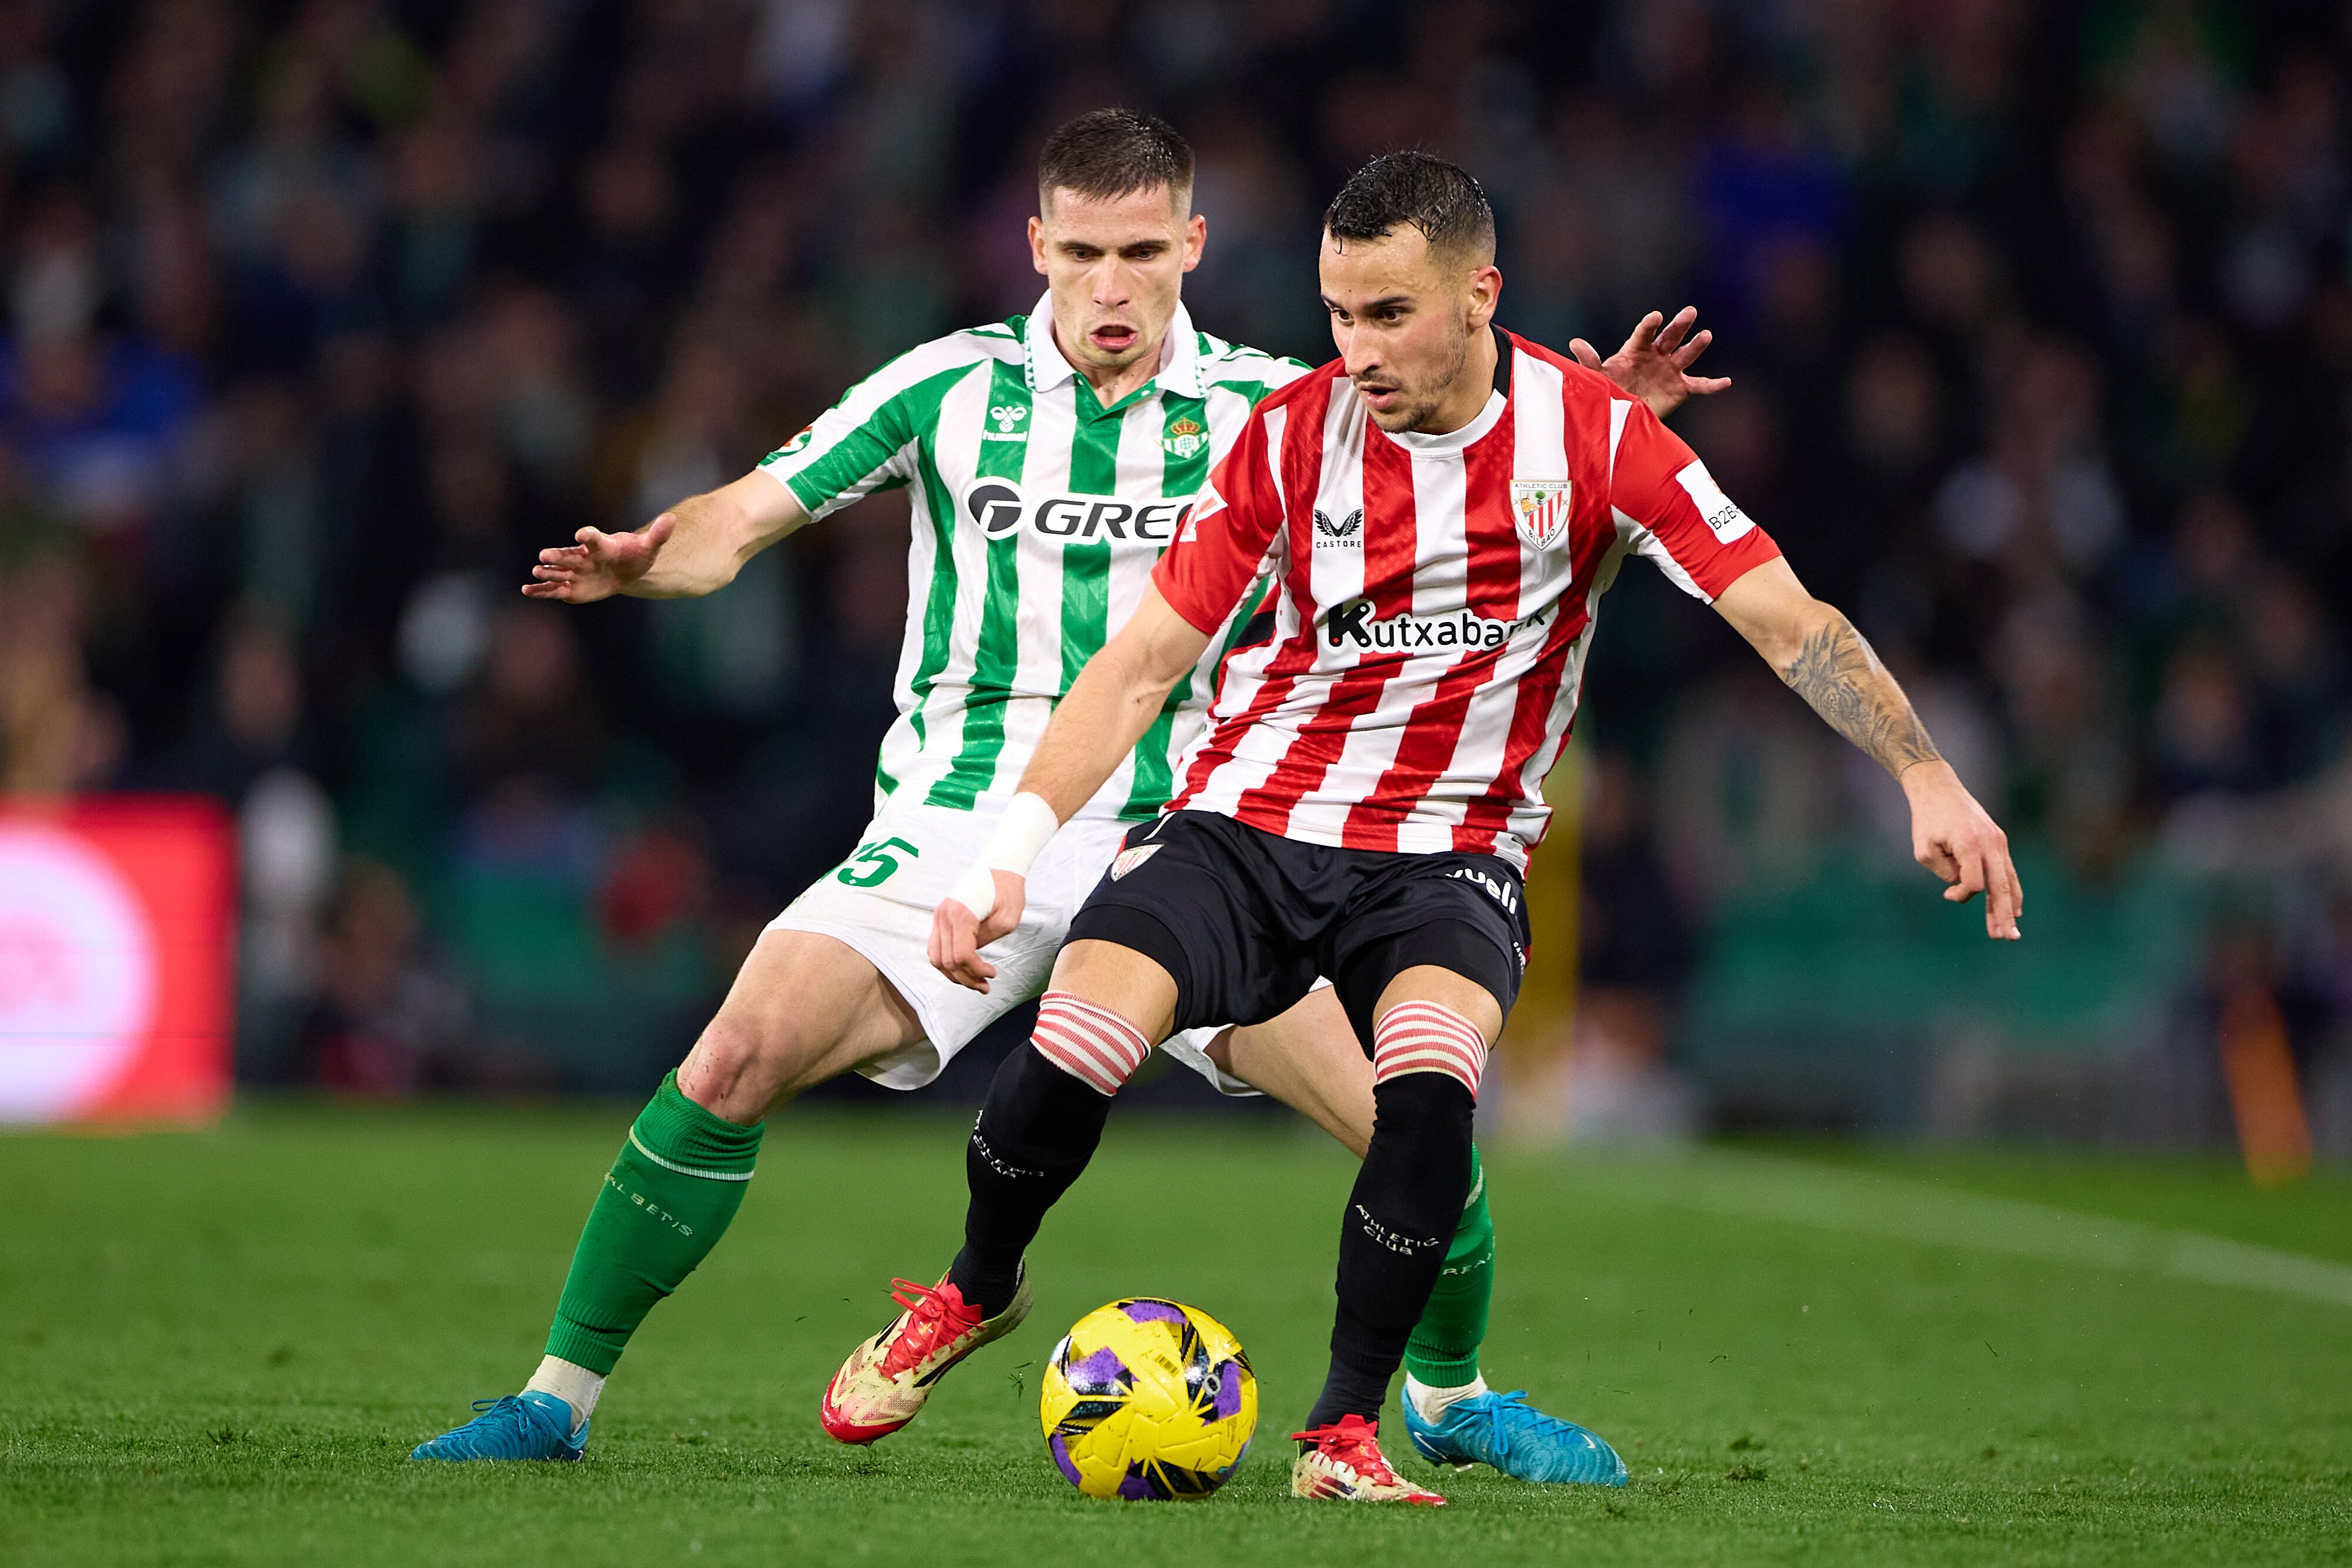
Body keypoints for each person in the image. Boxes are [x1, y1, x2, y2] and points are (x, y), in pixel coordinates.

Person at [407, 112, 1723, 1481]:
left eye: (1142, 251)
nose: (1110, 284)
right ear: (1035, 246)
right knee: (732, 1057)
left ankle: (1448, 1401)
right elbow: (747, 509)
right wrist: (651, 556)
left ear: (1191, 247)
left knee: (1420, 1118)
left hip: (1214, 829)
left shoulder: (1290, 406)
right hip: (972, 823)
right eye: (1082, 251)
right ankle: (553, 1401)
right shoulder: (944, 387)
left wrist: (1605, 420)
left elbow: (1486, 447)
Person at [867, 151, 2022, 1506]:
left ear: (1479, 294)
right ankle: (973, 1286)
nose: (1353, 349)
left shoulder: (1593, 438)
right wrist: (1005, 856)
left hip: (1446, 853)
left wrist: (1923, 774)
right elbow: (1133, 668)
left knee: (1429, 1088)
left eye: (1388, 315)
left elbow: (1787, 620)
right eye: (1337, 314)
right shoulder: (1287, 438)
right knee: (1080, 1026)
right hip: (1247, 819)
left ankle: (1343, 1432)